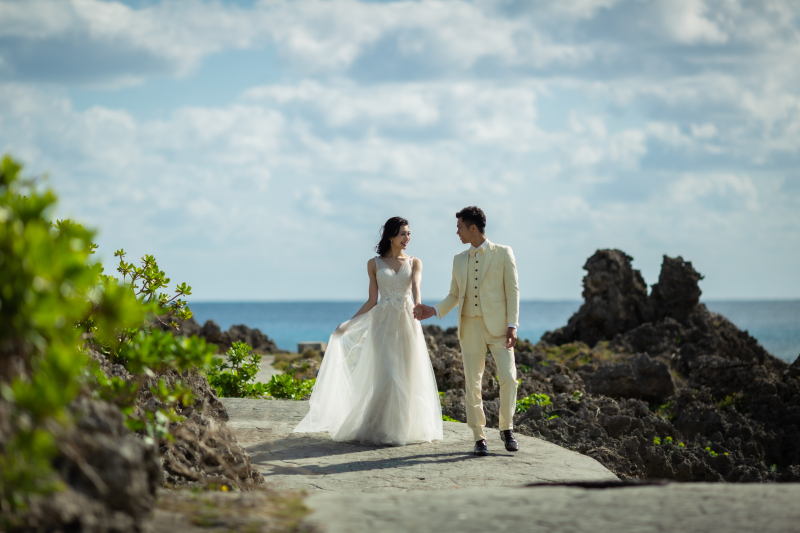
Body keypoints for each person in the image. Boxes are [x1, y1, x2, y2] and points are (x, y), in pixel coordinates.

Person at [293, 217, 443, 445]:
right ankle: (381, 428)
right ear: (391, 236)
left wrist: (419, 305)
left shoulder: (415, 262)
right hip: (381, 323)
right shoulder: (374, 263)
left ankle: (402, 429)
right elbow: (373, 300)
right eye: (402, 233)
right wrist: (349, 323)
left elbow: (416, 288)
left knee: (407, 374)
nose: (407, 238)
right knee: (387, 374)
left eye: (409, 233)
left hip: (407, 321)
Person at [414, 206, 520, 456]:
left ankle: (507, 428)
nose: (457, 232)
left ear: (473, 228)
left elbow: (513, 291)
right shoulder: (458, 259)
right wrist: (434, 310)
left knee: (509, 378)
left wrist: (512, 325)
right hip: (469, 327)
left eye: (460, 227)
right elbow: (454, 294)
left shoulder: (504, 253)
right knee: (472, 383)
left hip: (498, 328)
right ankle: (479, 436)